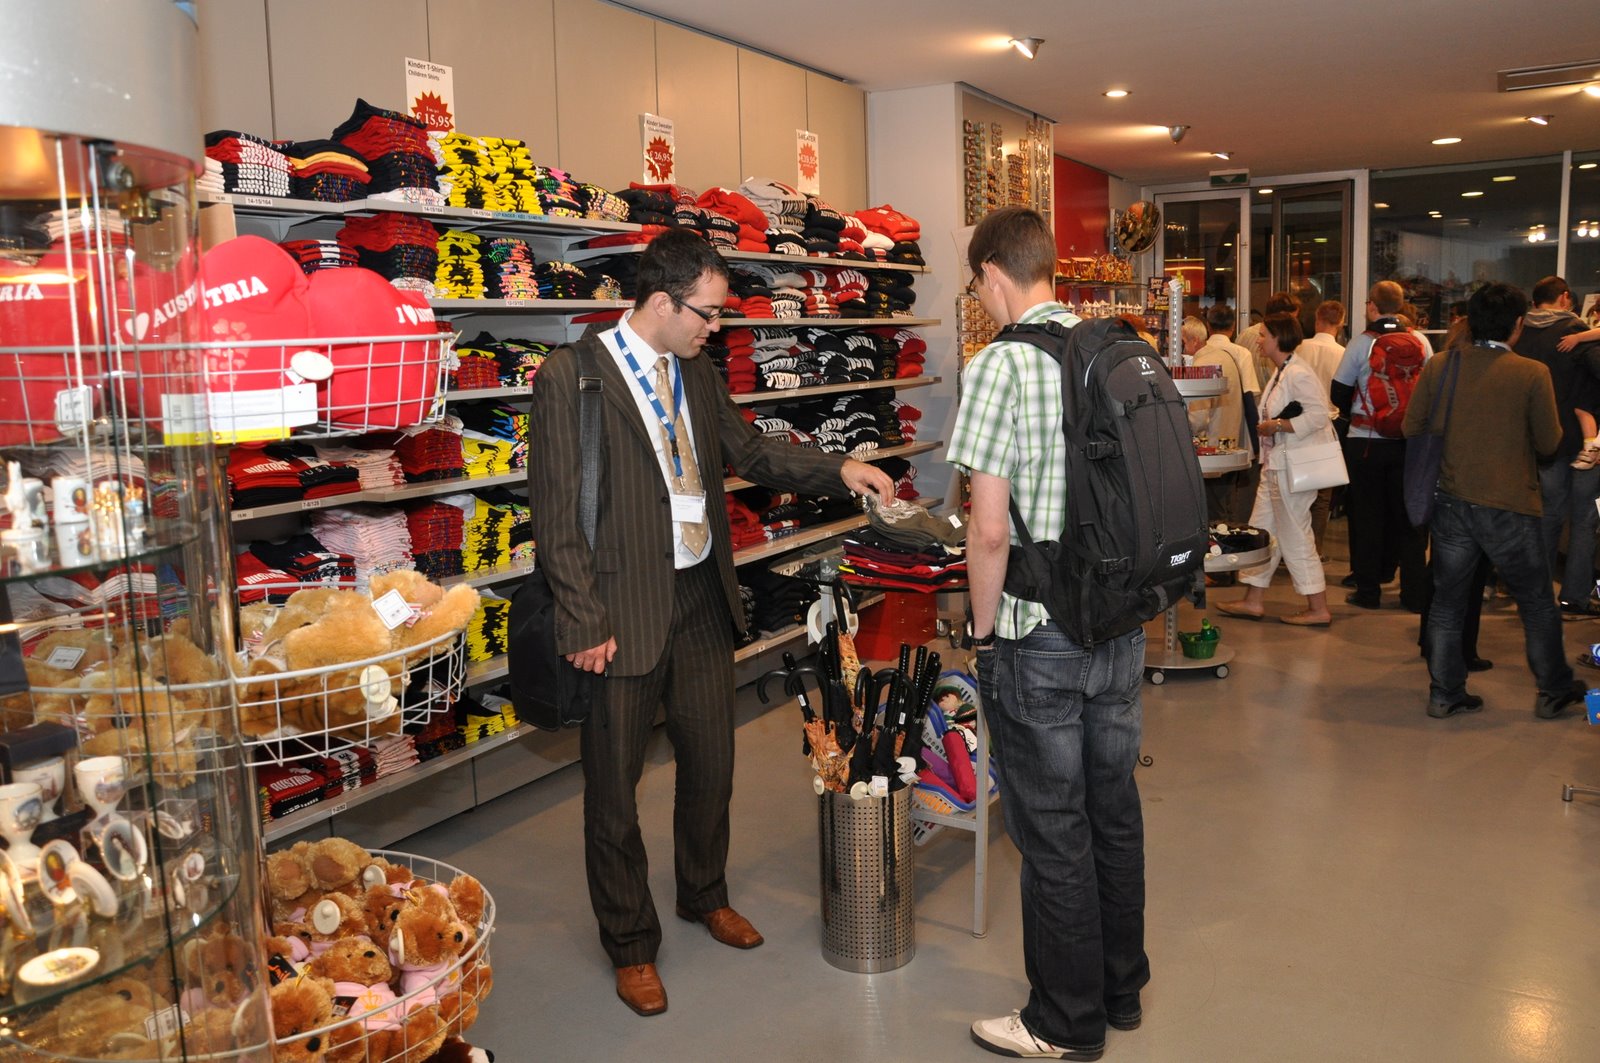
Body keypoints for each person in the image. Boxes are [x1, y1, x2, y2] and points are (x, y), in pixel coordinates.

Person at [528, 228, 893, 1017]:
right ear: (662, 302)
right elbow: (553, 512)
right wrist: (582, 616)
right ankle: (631, 942)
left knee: (711, 765)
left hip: (698, 595)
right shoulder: (573, 376)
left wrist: (840, 468)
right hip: (619, 608)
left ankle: (704, 892)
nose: (716, 326)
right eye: (708, 312)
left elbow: (750, 452)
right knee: (613, 791)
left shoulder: (693, 367)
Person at [949, 206, 1149, 1061]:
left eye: (976, 285)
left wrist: (982, 631)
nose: (979, 299)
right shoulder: (1114, 350)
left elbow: (988, 529)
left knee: (1053, 830)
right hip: (1120, 624)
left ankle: (1064, 1021)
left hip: (1040, 632)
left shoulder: (999, 365)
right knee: (1114, 808)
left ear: (994, 273)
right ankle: (1119, 989)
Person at [1402, 282, 1586, 720]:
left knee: (1448, 602)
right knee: (1536, 602)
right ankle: (1553, 690)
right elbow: (1549, 442)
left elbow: (1412, 426)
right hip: (1511, 506)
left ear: (1470, 321)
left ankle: (1445, 693)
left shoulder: (1442, 364)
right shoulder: (1531, 373)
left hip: (1452, 501)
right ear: (1518, 324)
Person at [1214, 313, 1337, 626]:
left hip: (1292, 468)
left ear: (1278, 337)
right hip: (1276, 465)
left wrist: (1277, 425)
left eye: (1263, 334)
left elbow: (1318, 415)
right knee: (1263, 530)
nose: (1258, 340)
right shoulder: (1283, 371)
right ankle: (1253, 599)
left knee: (1295, 535)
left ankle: (1318, 607)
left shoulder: (1298, 373)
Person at [1331, 280, 1430, 611]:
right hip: (1408, 443)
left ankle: (1368, 590)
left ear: (1372, 306)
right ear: (1400, 306)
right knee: (1409, 519)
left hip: (1366, 441)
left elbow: (1339, 391)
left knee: (1367, 517)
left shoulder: (1362, 343)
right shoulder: (1420, 341)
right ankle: (1414, 594)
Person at [1514, 275, 1600, 616]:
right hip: (1584, 441)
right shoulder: (1574, 333)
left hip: (1542, 439)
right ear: (1564, 297)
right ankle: (1574, 596)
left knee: (1547, 516)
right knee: (1583, 520)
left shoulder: (1520, 335)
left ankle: (1539, 595)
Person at [1183, 314, 1248, 524]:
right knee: (1226, 513)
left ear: (1194, 341)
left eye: (1183, 343)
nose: (1182, 350)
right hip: (1228, 445)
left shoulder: (1201, 364)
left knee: (1213, 516)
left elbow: (1198, 419)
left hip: (1208, 451)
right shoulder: (1227, 357)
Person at [1201, 304, 1262, 524]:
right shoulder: (1241, 353)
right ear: (1233, 326)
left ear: (1208, 326)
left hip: (1207, 436)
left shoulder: (1201, 354)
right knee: (1229, 493)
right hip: (1235, 433)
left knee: (1212, 499)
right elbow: (1251, 394)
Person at [1297, 301, 1346, 552]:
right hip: (1330, 424)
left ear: (1317, 319)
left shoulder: (1300, 348)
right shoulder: (1342, 353)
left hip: (1299, 424)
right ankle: (1314, 549)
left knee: (1297, 490)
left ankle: (1294, 546)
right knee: (1323, 495)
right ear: (1341, 323)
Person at [1239, 291, 1302, 387]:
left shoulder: (1244, 334)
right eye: (1292, 319)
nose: (1294, 325)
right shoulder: (1278, 341)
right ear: (1281, 317)